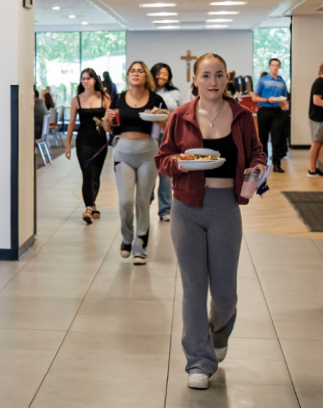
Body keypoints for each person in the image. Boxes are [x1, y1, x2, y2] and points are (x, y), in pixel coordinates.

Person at [156, 53, 266, 390]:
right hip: (187, 207)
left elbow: (257, 152)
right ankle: (198, 363)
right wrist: (181, 165)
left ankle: (218, 330)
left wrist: (258, 169)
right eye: (206, 76)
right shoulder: (180, 116)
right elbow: (163, 158)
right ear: (195, 78)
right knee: (193, 288)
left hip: (225, 208)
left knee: (224, 294)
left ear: (227, 78)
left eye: (219, 75)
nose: (213, 82)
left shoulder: (243, 116)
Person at [103, 61, 166, 265]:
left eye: (140, 71)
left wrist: (160, 119)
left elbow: (166, 124)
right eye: (132, 71)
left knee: (142, 202)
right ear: (127, 76)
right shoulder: (119, 98)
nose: (136, 74)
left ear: (146, 75)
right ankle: (127, 238)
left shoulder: (156, 99)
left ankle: (140, 246)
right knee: (126, 202)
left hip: (148, 152)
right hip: (124, 152)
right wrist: (107, 118)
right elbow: (109, 127)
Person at [66, 68, 111, 223]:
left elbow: (111, 120)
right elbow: (71, 123)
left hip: (100, 142)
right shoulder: (76, 100)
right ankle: (89, 208)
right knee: (87, 173)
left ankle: (92, 204)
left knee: (96, 174)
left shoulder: (104, 98)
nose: (85, 81)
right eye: (83, 78)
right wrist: (67, 145)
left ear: (95, 80)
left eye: (88, 78)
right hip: (83, 142)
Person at [151, 63, 184, 222]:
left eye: (164, 74)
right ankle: (145, 202)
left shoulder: (175, 93)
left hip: (168, 137)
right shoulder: (147, 92)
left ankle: (165, 210)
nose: (160, 76)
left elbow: (181, 115)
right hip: (150, 137)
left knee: (166, 175)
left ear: (169, 76)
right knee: (149, 173)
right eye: (157, 73)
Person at [253, 58, 289, 172]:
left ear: (279, 67)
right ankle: (262, 164)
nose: (275, 67)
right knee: (263, 139)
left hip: (277, 112)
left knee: (276, 138)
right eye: (273, 65)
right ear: (269, 66)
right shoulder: (262, 80)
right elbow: (254, 97)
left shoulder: (281, 82)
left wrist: (284, 102)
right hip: (264, 110)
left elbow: (285, 98)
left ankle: (277, 164)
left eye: (277, 65)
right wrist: (268, 100)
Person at [309, 62, 323, 177]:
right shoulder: (320, 82)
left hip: (320, 118)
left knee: (319, 143)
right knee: (316, 143)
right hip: (317, 118)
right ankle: (312, 170)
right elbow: (317, 101)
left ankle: (316, 168)